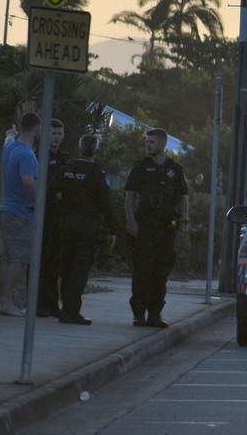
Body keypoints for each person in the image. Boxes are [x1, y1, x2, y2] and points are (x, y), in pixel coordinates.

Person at [124, 128, 189, 328]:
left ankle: (155, 313)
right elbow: (130, 196)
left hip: (166, 226)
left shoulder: (175, 169)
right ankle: (138, 313)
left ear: (162, 144)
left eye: (151, 142)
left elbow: (183, 197)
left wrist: (184, 222)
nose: (148, 145)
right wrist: (131, 221)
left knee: (161, 271)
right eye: (147, 142)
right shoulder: (140, 168)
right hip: (145, 223)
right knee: (142, 270)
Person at [53, 134, 116, 325]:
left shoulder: (67, 169)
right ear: (95, 150)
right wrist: (114, 230)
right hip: (87, 226)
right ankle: (72, 311)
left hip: (66, 224)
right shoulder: (96, 173)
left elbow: (50, 192)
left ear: (79, 148)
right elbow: (105, 204)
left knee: (66, 268)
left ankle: (66, 310)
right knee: (79, 270)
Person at [0, 113, 41, 316]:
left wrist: (10, 134)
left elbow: (8, 138)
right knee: (21, 258)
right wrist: (36, 201)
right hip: (20, 212)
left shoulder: (11, 148)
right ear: (36, 129)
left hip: (6, 209)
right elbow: (28, 181)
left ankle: (3, 300)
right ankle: (6, 301)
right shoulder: (27, 154)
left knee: (8, 258)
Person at [36, 118, 67, 318]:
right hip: (42, 215)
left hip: (60, 217)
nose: (55, 138)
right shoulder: (38, 156)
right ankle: (38, 303)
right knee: (40, 260)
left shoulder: (65, 160)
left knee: (55, 261)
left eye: (59, 134)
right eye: (52, 134)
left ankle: (51, 302)